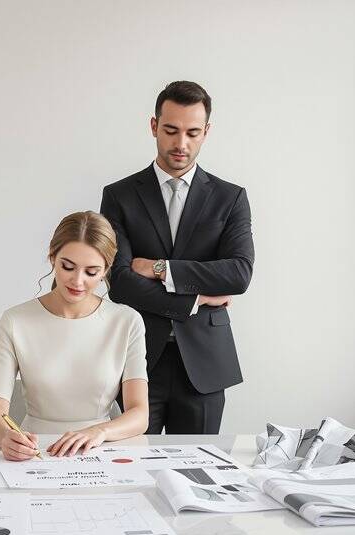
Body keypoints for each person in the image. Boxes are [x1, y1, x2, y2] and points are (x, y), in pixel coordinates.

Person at [100, 80, 254, 435]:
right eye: (170, 130)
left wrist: (159, 268)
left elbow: (238, 274)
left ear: (206, 132)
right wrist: (195, 299)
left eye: (192, 132)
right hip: (139, 358)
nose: (181, 143)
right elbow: (120, 283)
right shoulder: (119, 196)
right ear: (154, 126)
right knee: (133, 473)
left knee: (197, 476)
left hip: (205, 363)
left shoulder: (230, 198)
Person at [0, 211, 149, 461]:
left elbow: (139, 413)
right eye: (67, 266)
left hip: (99, 451)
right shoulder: (15, 320)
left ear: (106, 270)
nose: (77, 281)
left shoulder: (126, 321)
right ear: (52, 257)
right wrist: (7, 437)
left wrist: (99, 431)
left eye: (91, 272)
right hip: (35, 452)